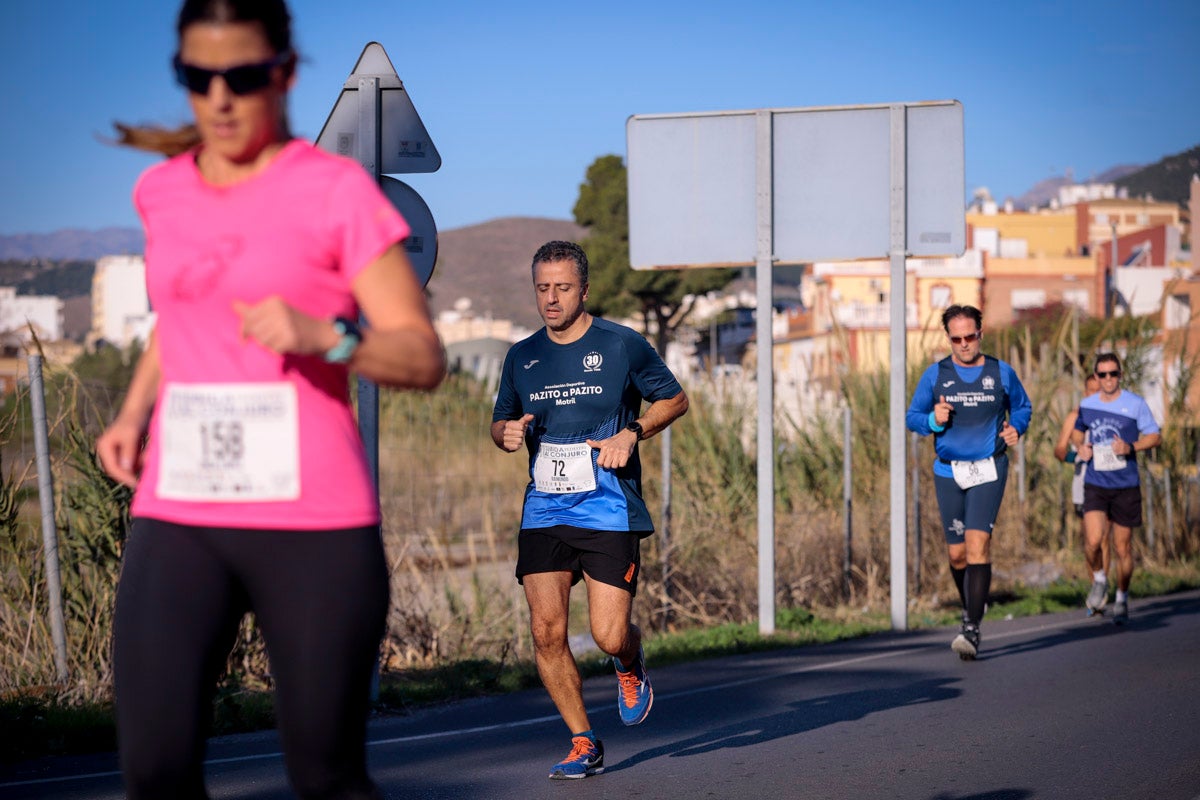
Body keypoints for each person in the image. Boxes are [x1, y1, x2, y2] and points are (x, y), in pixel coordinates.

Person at [95, 2, 445, 797]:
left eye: (244, 76)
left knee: (325, 776)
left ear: (283, 74)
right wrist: (133, 412)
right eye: (198, 77)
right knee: (154, 771)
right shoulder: (160, 192)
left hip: (312, 521)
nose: (220, 97)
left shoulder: (335, 191)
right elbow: (179, 318)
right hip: (181, 508)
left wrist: (328, 335)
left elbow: (423, 357)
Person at [490, 241, 688, 779]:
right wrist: (503, 434)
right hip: (544, 509)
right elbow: (501, 420)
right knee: (545, 632)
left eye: (563, 287)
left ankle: (628, 659)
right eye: (543, 288)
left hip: (607, 508)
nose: (551, 299)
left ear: (584, 290)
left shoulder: (621, 344)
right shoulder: (522, 356)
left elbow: (675, 399)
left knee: (607, 634)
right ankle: (583, 740)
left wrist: (633, 431)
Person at [906, 304, 1032, 660]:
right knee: (957, 554)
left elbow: (1023, 407)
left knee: (978, 545)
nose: (964, 344)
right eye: (956, 338)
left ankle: (972, 628)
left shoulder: (1001, 372)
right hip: (949, 471)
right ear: (948, 338)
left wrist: (1016, 427)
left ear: (981, 333)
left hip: (989, 468)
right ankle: (972, 605)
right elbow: (912, 417)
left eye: (970, 337)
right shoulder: (935, 375)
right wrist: (932, 420)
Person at [1071, 353, 1161, 622]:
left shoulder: (1135, 404)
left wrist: (1131, 447)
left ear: (1120, 375)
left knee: (1122, 548)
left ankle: (1122, 597)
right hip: (1096, 483)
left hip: (1125, 485)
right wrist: (1081, 447)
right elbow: (1077, 431)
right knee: (1092, 541)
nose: (1108, 379)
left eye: (1113, 373)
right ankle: (1100, 579)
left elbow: (1155, 436)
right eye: (1103, 374)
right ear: (1096, 377)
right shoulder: (1087, 405)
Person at [1054, 373, 1110, 575]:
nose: (1095, 394)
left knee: (1104, 538)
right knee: (1091, 541)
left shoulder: (1112, 416)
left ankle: (1103, 586)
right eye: (1091, 391)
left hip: (1109, 483)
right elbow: (1059, 450)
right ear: (1085, 392)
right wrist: (1076, 456)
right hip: (1083, 486)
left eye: (1099, 390)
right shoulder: (1075, 416)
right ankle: (1095, 583)